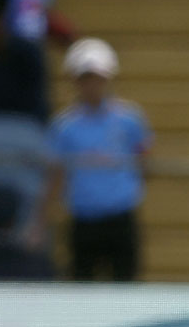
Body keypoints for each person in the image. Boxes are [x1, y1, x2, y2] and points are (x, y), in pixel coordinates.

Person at [46, 38, 153, 281]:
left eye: (98, 78)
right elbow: (56, 175)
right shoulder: (64, 127)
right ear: (75, 81)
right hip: (83, 220)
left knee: (126, 286)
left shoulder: (130, 120)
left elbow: (144, 158)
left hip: (121, 217)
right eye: (85, 78)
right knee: (82, 289)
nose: (92, 85)